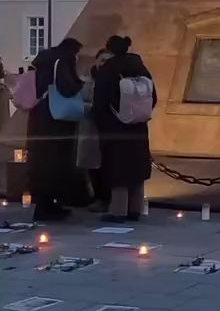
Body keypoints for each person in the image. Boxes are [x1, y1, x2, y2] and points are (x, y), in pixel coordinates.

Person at [93, 35, 156, 222]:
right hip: (138, 126)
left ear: (110, 49)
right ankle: (135, 208)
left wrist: (102, 123)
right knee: (136, 167)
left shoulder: (108, 69)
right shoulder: (140, 67)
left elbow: (100, 102)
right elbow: (153, 96)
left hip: (115, 127)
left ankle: (118, 210)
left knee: (117, 167)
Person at [26, 38, 85, 223]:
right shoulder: (63, 61)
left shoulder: (42, 60)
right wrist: (80, 83)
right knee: (56, 162)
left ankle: (44, 205)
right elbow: (67, 87)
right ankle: (49, 207)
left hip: (39, 118)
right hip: (56, 120)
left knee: (41, 162)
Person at [77, 48, 112, 211]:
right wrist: (92, 107)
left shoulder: (114, 81)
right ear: (96, 61)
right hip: (89, 128)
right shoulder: (85, 81)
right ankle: (96, 196)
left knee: (107, 165)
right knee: (91, 165)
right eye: (102, 60)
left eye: (108, 61)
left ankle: (106, 198)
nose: (105, 64)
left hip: (107, 129)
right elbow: (78, 102)